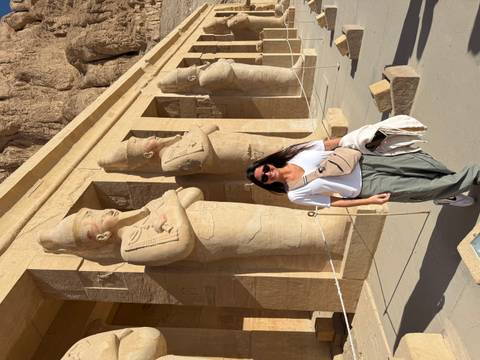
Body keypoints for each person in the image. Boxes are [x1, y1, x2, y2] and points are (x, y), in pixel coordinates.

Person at [246, 137, 479, 208]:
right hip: (364, 187)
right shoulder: (294, 195)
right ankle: (473, 174)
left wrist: (368, 135)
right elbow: (332, 202)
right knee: (417, 188)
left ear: (269, 164)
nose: (268, 174)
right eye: (264, 178)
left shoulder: (297, 154)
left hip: (365, 162)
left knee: (424, 166)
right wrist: (368, 201)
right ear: (267, 184)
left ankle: (445, 192)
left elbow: (330, 144)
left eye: (265, 169)